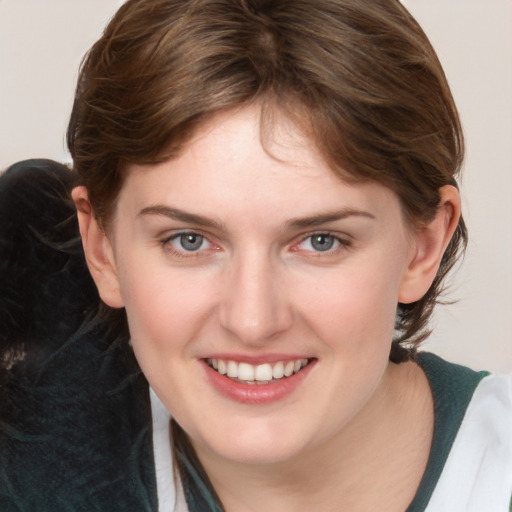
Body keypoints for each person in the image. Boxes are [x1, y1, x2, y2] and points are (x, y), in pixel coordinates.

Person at [1, 0, 511, 511]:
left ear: (422, 247)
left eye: (320, 241)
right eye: (189, 240)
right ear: (102, 248)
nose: (252, 321)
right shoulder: (36, 460)